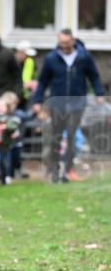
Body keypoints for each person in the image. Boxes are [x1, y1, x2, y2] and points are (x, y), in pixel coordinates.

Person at [31, 29, 105, 182]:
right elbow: (43, 81)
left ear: (73, 41)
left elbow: (94, 76)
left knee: (71, 135)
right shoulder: (51, 58)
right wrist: (37, 100)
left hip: (77, 102)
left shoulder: (84, 57)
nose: (63, 46)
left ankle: (67, 170)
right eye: (61, 43)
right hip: (57, 103)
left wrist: (99, 93)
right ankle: (54, 169)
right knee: (56, 136)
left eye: (66, 43)